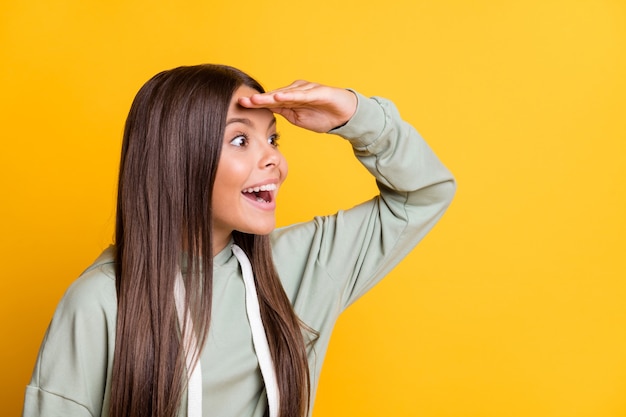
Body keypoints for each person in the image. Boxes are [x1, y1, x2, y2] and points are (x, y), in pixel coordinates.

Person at [22, 64, 455, 417]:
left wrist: (354, 115)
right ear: (180, 159)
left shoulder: (302, 266)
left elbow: (424, 194)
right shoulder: (100, 302)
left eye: (272, 137)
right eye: (241, 139)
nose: (274, 158)